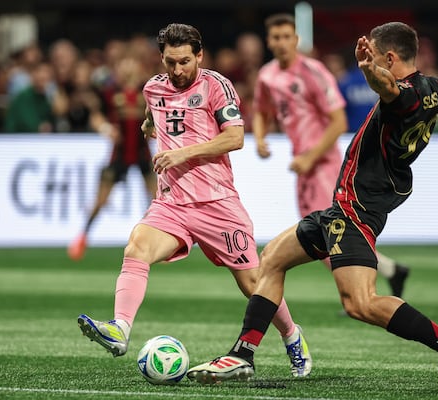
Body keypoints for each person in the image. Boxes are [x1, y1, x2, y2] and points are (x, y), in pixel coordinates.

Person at [186, 22, 438, 393]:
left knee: (360, 303)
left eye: (375, 55)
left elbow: (388, 87)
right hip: (343, 207)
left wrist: (367, 70)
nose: (369, 60)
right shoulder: (434, 90)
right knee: (273, 258)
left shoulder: (404, 96)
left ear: (390, 58)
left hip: (355, 209)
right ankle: (242, 355)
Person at [76, 23, 312, 379]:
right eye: (171, 62)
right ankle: (120, 328)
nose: (178, 70)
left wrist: (182, 153)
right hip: (171, 203)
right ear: (162, 58)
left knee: (253, 284)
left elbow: (235, 138)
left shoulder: (217, 86)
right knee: (136, 247)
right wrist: (147, 126)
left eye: (185, 61)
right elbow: (154, 116)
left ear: (199, 55)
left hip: (217, 203)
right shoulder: (153, 88)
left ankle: (293, 338)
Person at [252, 14, 409, 299]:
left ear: (296, 40)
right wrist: (261, 138)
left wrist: (312, 157)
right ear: (269, 41)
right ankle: (387, 272)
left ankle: (364, 293)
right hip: (303, 163)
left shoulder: (314, 72)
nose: (282, 43)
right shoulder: (267, 76)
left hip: (322, 163)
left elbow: (338, 122)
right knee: (325, 232)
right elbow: (261, 111)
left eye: (287, 37)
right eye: (276, 37)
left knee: (330, 231)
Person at [67, 56, 156, 261]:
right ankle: (82, 238)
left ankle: (155, 244)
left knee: (156, 201)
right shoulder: (110, 93)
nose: (128, 69)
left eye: (132, 64)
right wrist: (105, 128)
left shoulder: (148, 92)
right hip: (118, 154)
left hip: (143, 154)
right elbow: (97, 116)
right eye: (124, 65)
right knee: (101, 201)